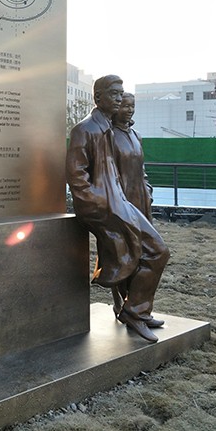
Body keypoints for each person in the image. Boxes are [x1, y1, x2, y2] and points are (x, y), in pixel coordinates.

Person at [66, 75, 169, 343]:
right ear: (97, 97)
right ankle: (134, 312)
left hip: (119, 203)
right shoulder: (85, 129)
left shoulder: (112, 130)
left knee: (142, 253)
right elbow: (76, 175)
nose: (119, 99)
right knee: (156, 251)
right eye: (114, 94)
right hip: (106, 207)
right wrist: (99, 201)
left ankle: (136, 311)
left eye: (121, 94)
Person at [110, 91, 156, 322]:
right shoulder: (108, 135)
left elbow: (141, 169)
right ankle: (121, 304)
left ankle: (139, 308)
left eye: (132, 105)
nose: (129, 110)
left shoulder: (136, 135)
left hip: (141, 200)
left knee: (145, 253)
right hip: (120, 202)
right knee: (121, 254)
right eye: (124, 105)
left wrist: (147, 190)